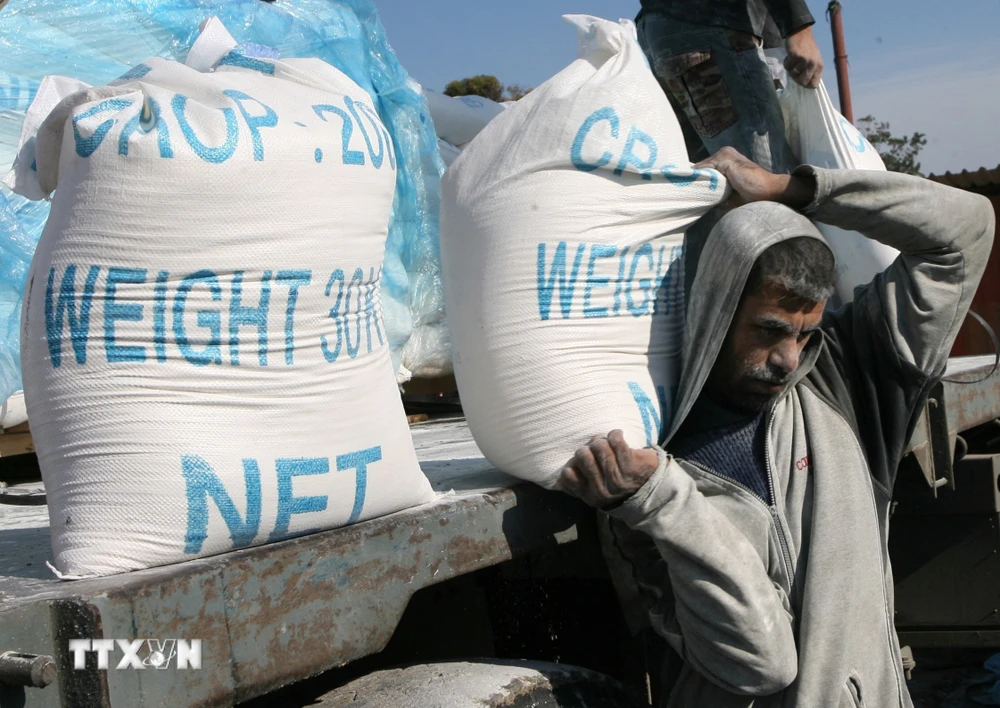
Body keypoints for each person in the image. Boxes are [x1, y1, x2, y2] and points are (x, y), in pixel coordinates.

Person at [559, 148, 995, 707]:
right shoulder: (652, 456)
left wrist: (793, 189)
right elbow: (756, 665)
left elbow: (968, 228)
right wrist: (667, 504)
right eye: (769, 331)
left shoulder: (849, 380)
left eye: (805, 333)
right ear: (717, 307)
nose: (790, 360)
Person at [635, 0, 824, 173]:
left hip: (659, 30)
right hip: (711, 27)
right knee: (765, 176)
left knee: (708, 184)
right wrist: (798, 28)